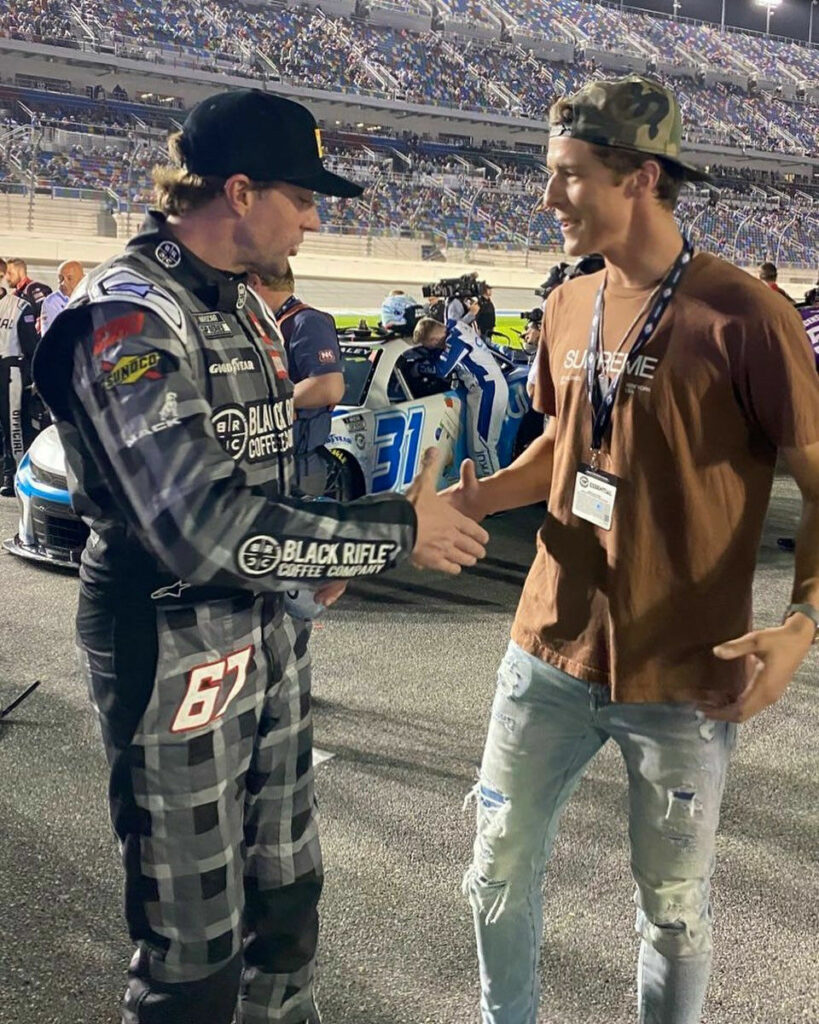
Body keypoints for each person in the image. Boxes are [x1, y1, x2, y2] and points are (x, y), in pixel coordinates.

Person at [32, 88, 488, 1024]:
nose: (316, 218)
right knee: (192, 942)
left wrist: (320, 554)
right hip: (168, 634)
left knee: (286, 896)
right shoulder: (125, 317)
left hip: (265, 628)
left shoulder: (243, 306)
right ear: (238, 191)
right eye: (303, 195)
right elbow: (204, 523)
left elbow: (262, 487)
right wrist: (397, 530)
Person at [445, 74, 819, 1024]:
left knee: (673, 914)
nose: (547, 197)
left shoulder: (745, 314)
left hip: (683, 675)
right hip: (544, 653)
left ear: (640, 177)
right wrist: (477, 496)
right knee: (492, 873)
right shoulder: (568, 302)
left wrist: (800, 626)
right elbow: (561, 450)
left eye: (567, 176)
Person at [248, 261, 344, 496]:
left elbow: (329, 386)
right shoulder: (275, 322)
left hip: (297, 466)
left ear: (254, 283)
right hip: (277, 460)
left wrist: (270, 405)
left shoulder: (306, 322)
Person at [413, 306, 509, 478]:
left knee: (482, 447)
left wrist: (419, 367)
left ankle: (491, 498)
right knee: (479, 447)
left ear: (435, 340)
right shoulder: (453, 325)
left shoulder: (455, 340)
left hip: (488, 390)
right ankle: (485, 494)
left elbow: (441, 369)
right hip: (485, 388)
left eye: (430, 346)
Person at [40, 259, 85, 335]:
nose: (63, 283)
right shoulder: (52, 302)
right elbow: (49, 335)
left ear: (82, 279)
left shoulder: (91, 297)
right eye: (61, 278)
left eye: (69, 278)